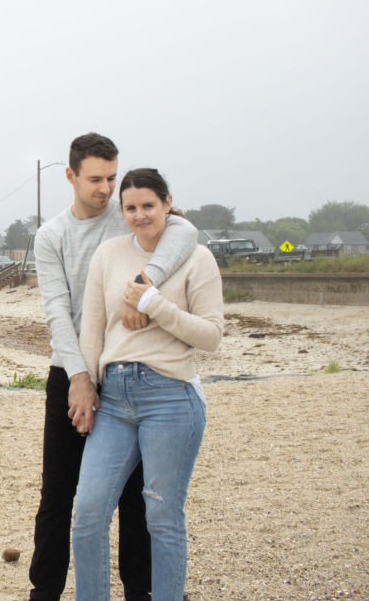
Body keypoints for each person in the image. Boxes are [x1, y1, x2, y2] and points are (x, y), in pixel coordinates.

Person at [28, 134, 198, 601]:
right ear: (71, 176)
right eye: (95, 179)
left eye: (110, 177)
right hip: (71, 370)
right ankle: (45, 593)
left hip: (129, 369)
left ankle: (140, 593)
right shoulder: (51, 236)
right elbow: (57, 312)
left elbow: (184, 230)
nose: (105, 188)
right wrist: (79, 379)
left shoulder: (129, 218)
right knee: (58, 494)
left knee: (134, 498)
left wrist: (144, 286)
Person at [72, 168, 223, 600]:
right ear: (122, 212)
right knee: (88, 512)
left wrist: (154, 304)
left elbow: (211, 336)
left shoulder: (198, 258)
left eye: (148, 206)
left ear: (167, 203)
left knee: (162, 516)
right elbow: (93, 331)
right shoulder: (109, 254)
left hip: (171, 398)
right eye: (131, 208)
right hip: (115, 399)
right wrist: (87, 384)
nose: (140, 215)